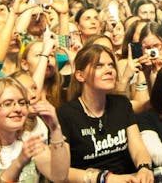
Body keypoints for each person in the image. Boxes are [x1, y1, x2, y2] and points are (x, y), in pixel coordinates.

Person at [56, 45, 156, 183]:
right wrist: (105, 178)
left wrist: (144, 167)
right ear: (80, 75)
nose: (109, 70)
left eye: (111, 65)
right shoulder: (66, 113)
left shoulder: (122, 104)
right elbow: (62, 172)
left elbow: (138, 148)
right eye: (99, 66)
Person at [0, 77, 67, 183]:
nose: (18, 109)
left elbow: (59, 177)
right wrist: (19, 162)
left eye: (22, 102)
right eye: (8, 104)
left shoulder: (29, 139)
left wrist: (55, 128)